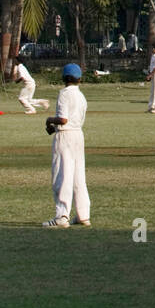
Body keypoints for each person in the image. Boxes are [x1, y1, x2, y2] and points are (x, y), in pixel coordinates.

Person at [43, 63, 90, 228]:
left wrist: (49, 120)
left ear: (64, 78)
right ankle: (83, 215)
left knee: (61, 176)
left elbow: (63, 119)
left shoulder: (64, 93)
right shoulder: (81, 96)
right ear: (79, 79)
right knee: (78, 177)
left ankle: (62, 216)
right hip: (78, 135)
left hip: (65, 136)